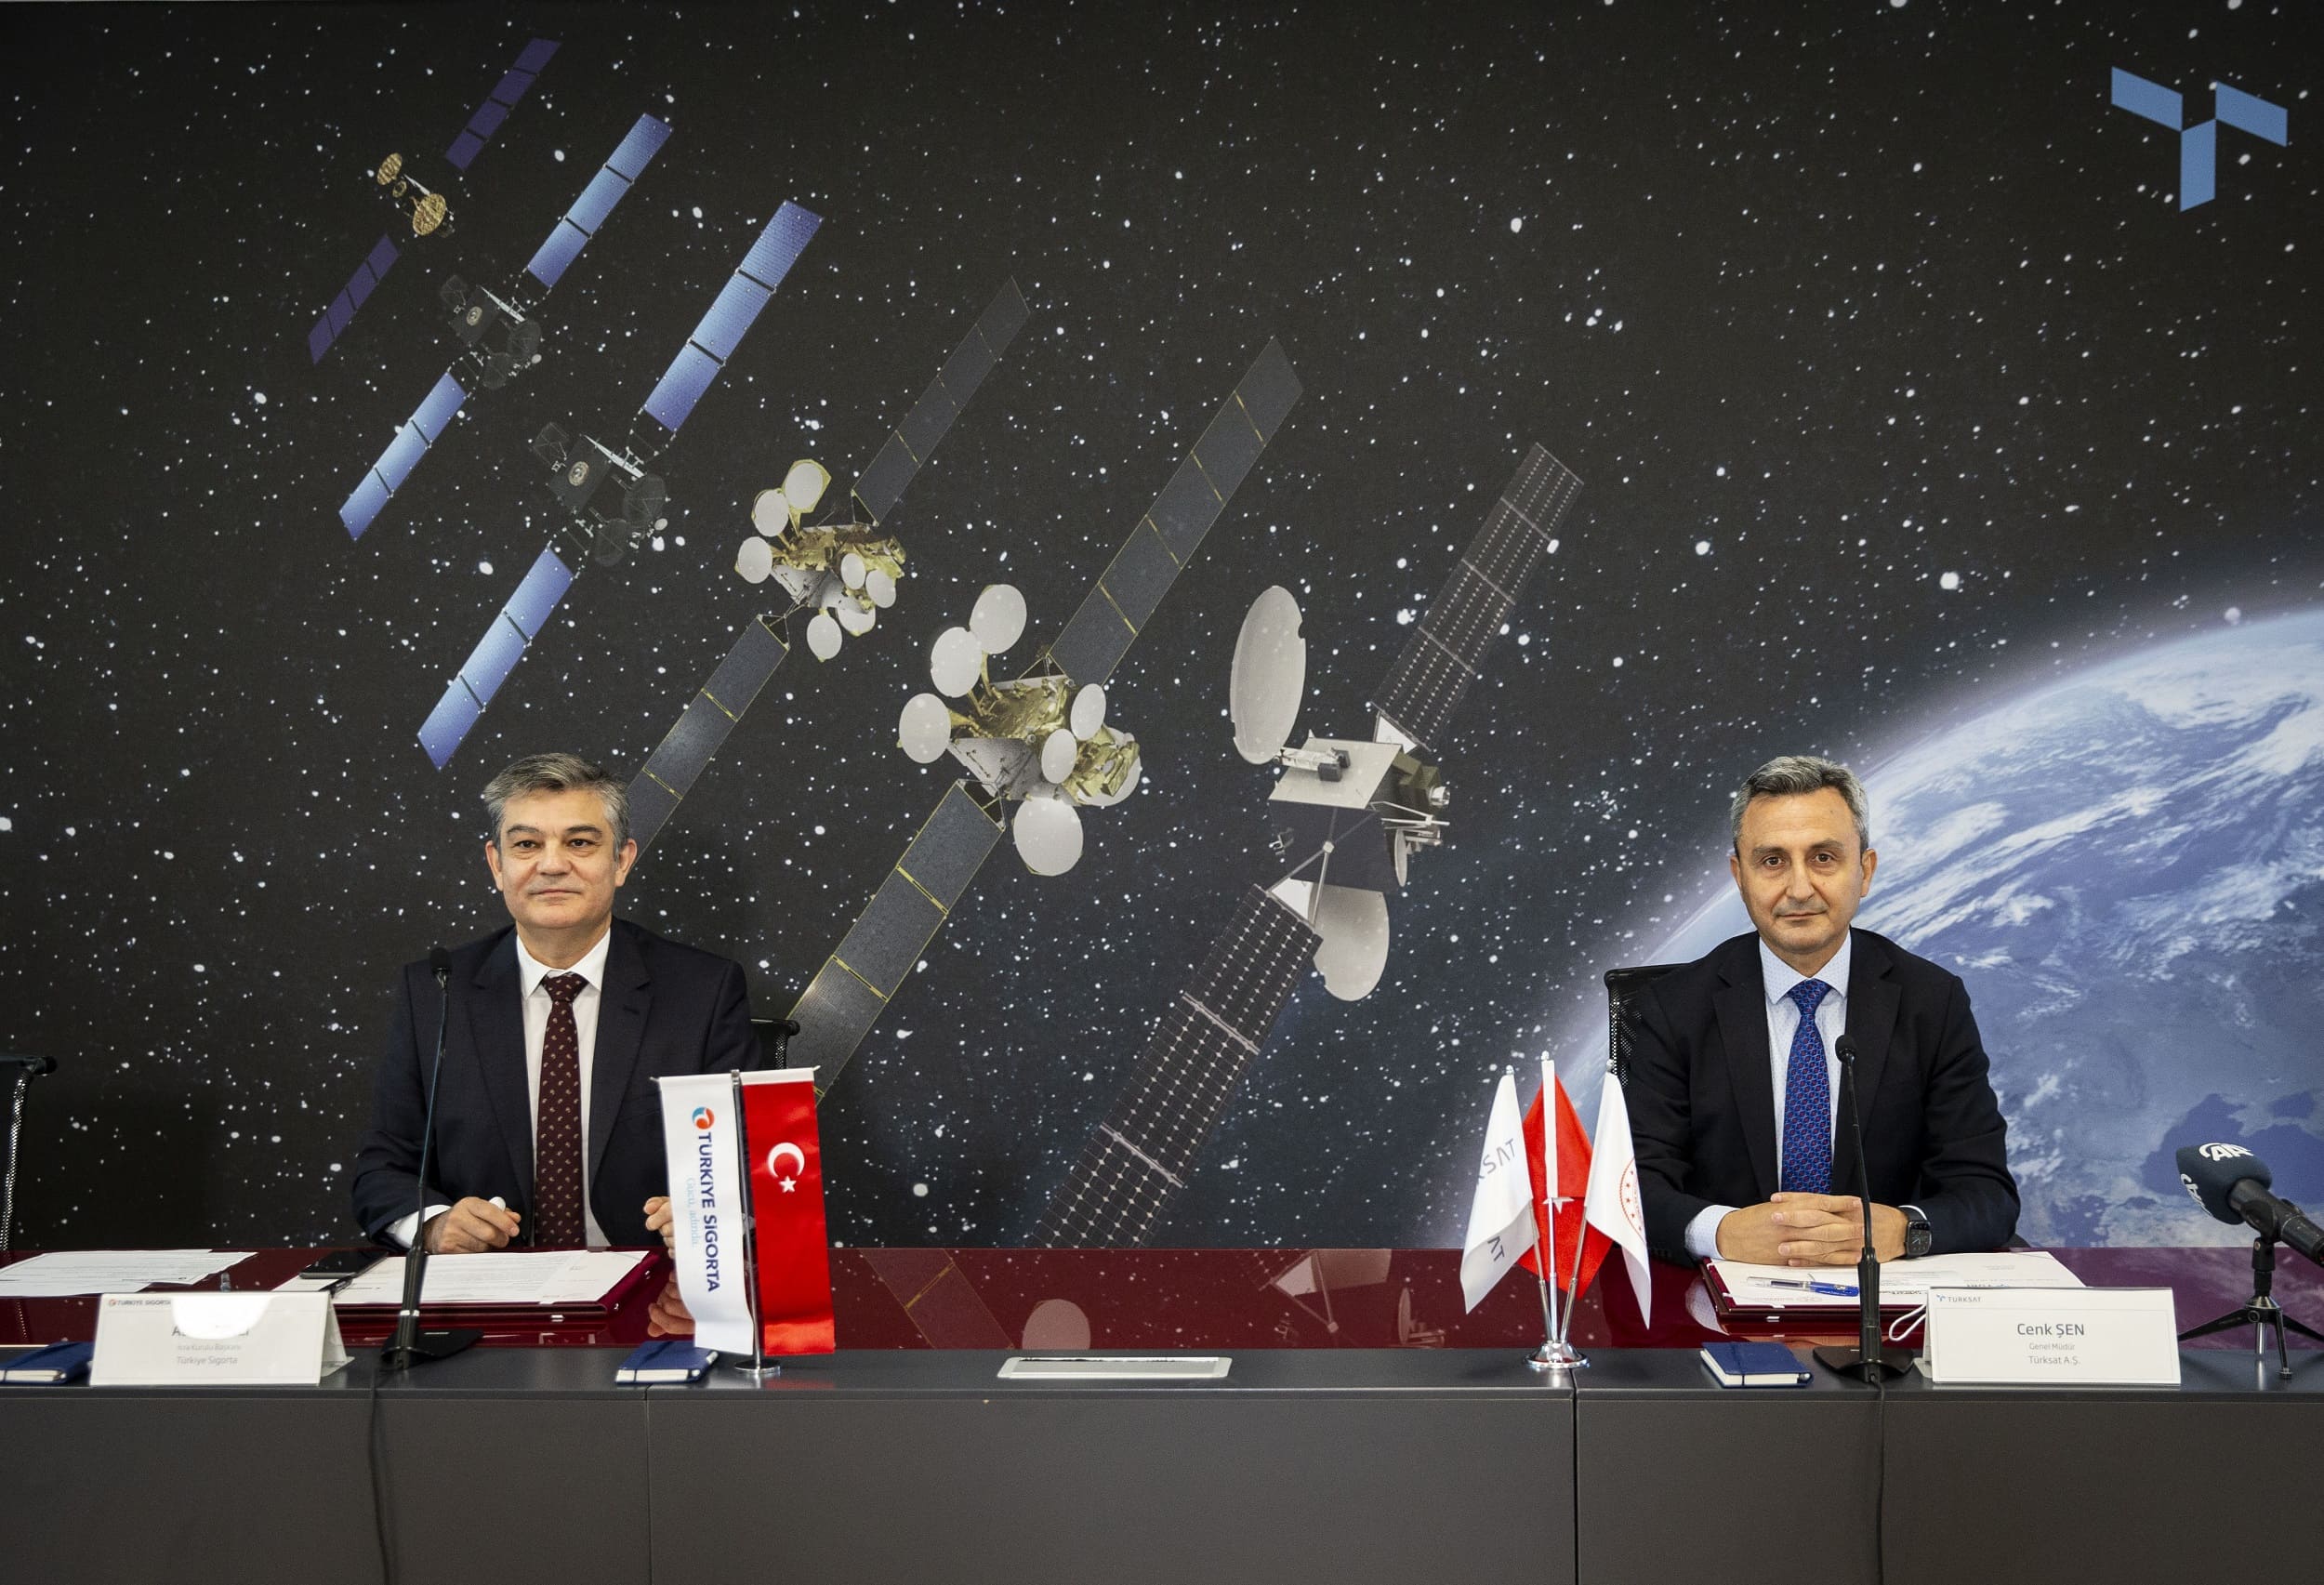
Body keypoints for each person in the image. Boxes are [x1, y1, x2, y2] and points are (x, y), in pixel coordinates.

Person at [350, 753, 759, 1253]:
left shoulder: (703, 990)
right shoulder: (437, 991)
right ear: (497, 865)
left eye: (580, 842)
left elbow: (752, 1161)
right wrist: (434, 1226)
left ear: (621, 861)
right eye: (526, 844)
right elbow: (384, 1167)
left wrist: (715, 1214)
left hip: (648, 1282)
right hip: (490, 1286)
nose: (552, 864)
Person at [1622, 755, 2018, 1267]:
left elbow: (1986, 1191)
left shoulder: (1931, 1001)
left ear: (1865, 871)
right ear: (1739, 876)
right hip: (1720, 1296)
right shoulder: (1671, 1007)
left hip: (1883, 1296)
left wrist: (1904, 1229)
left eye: (1824, 857)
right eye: (1772, 861)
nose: (1800, 888)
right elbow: (1635, 1187)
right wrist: (1721, 1232)